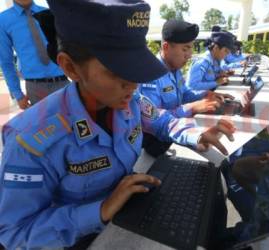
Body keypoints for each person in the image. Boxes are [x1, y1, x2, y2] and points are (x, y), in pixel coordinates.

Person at [0, 0, 236, 249]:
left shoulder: (130, 100)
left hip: (127, 214)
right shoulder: (30, 141)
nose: (133, 84)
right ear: (70, 67)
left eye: (135, 68)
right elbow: (14, 232)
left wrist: (196, 135)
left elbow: (163, 122)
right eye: (116, 71)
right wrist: (100, 210)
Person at [139, 19, 233, 157]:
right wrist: (193, 108)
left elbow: (185, 93)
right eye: (185, 48)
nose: (189, 55)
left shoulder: (174, 68)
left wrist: (205, 95)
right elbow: (156, 122)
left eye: (191, 48)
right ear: (166, 47)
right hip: (158, 142)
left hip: (180, 127)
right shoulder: (149, 75)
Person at [0, 0, 69, 109]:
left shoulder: (50, 12)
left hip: (63, 82)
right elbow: (6, 62)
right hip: (35, 88)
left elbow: (66, 47)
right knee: (44, 125)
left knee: (76, 123)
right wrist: (18, 95)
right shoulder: (3, 20)